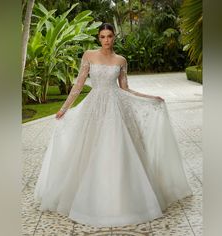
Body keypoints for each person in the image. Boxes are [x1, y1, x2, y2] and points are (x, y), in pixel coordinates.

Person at [34, 23, 193, 227]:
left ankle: (123, 199)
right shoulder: (89, 55)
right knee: (88, 148)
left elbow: (124, 88)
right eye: (102, 36)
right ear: (98, 38)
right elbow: (79, 84)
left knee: (119, 149)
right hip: (94, 107)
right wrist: (64, 108)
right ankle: (85, 197)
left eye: (109, 36)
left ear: (114, 37)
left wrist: (149, 97)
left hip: (116, 109)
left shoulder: (121, 60)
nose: (106, 40)